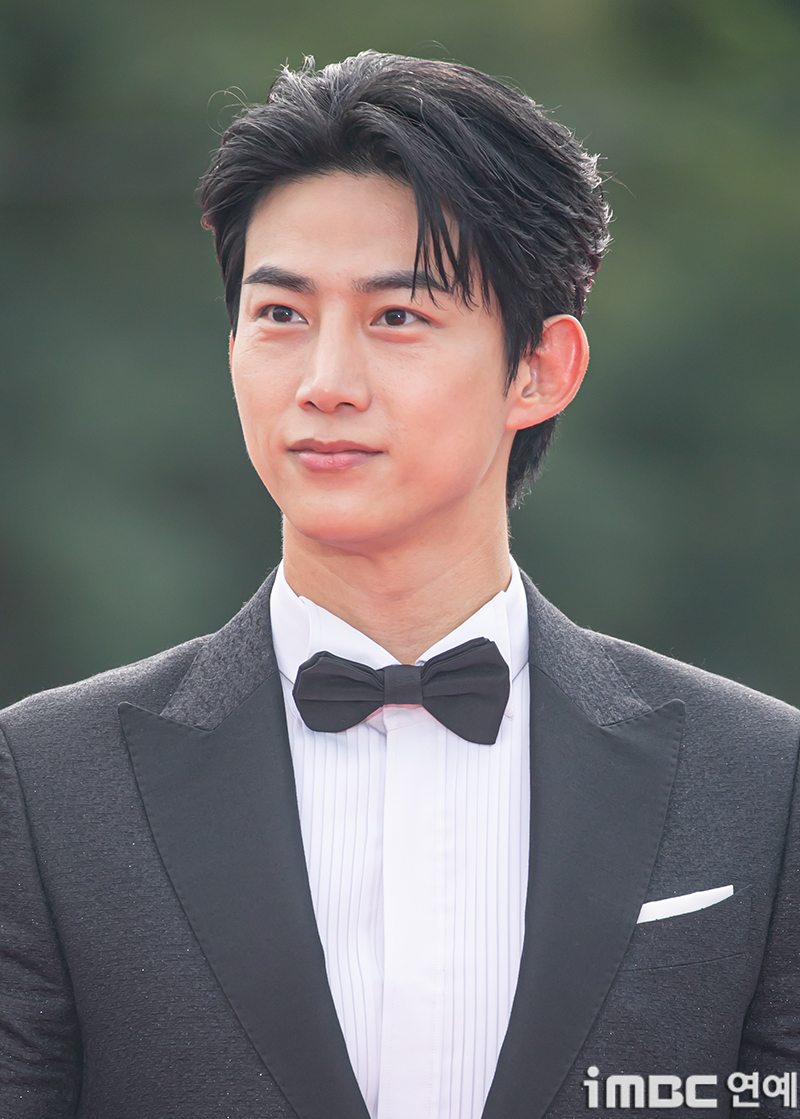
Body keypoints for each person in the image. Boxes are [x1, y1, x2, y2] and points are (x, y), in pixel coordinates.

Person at [0, 51, 798, 1119]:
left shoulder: (760, 783)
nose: (324, 383)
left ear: (540, 369)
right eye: (280, 315)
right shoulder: (46, 785)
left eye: (397, 318)